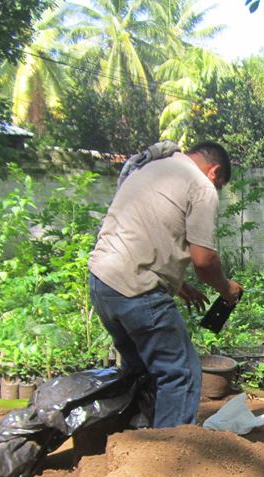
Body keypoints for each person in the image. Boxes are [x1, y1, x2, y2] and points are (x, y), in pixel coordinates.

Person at [88, 141, 243, 428]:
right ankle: (168, 454)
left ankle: (135, 445)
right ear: (215, 172)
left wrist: (179, 283)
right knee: (181, 372)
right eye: (219, 185)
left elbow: (144, 230)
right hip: (136, 289)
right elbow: (204, 260)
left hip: (102, 282)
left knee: (140, 371)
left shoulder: (154, 168)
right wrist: (226, 289)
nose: (216, 190)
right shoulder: (201, 185)